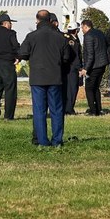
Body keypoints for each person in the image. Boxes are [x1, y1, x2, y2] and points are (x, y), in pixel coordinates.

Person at [19, 10, 70, 147]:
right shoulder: (60, 37)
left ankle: (42, 141)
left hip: (37, 78)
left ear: (37, 20)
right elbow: (67, 57)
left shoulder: (31, 36)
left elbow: (23, 53)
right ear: (50, 20)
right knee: (56, 110)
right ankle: (57, 140)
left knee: (39, 111)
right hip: (55, 77)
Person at [80, 20, 108, 116]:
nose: (81, 30)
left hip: (94, 66)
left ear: (85, 26)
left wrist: (85, 68)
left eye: (82, 28)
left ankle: (93, 110)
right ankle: (98, 109)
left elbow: (90, 55)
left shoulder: (88, 36)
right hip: (102, 64)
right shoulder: (100, 33)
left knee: (89, 88)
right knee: (96, 87)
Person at [63, 22, 82, 115]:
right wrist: (79, 68)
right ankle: (69, 108)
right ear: (76, 30)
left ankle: (67, 107)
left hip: (66, 67)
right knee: (72, 88)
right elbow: (76, 56)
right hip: (72, 68)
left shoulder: (66, 38)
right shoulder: (72, 41)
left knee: (67, 88)